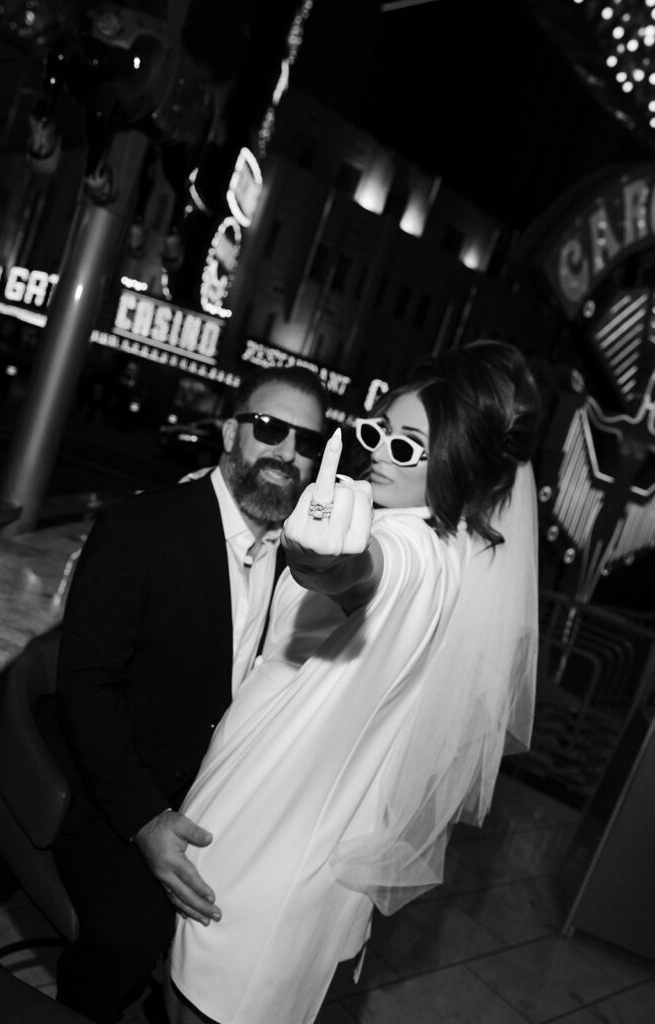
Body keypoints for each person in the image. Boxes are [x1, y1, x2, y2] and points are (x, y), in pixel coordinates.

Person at [167, 340, 542, 1024]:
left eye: (407, 448)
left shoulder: (408, 554)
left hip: (256, 866)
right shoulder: (435, 546)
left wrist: (323, 561)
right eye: (376, 433)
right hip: (267, 842)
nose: (377, 453)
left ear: (454, 465)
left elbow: (364, 574)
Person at [51, 365, 329, 1024]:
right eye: (269, 429)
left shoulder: (306, 562)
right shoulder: (140, 528)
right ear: (231, 431)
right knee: (133, 932)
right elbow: (86, 689)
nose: (286, 453)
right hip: (118, 797)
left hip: (224, 803)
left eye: (305, 441)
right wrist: (146, 820)